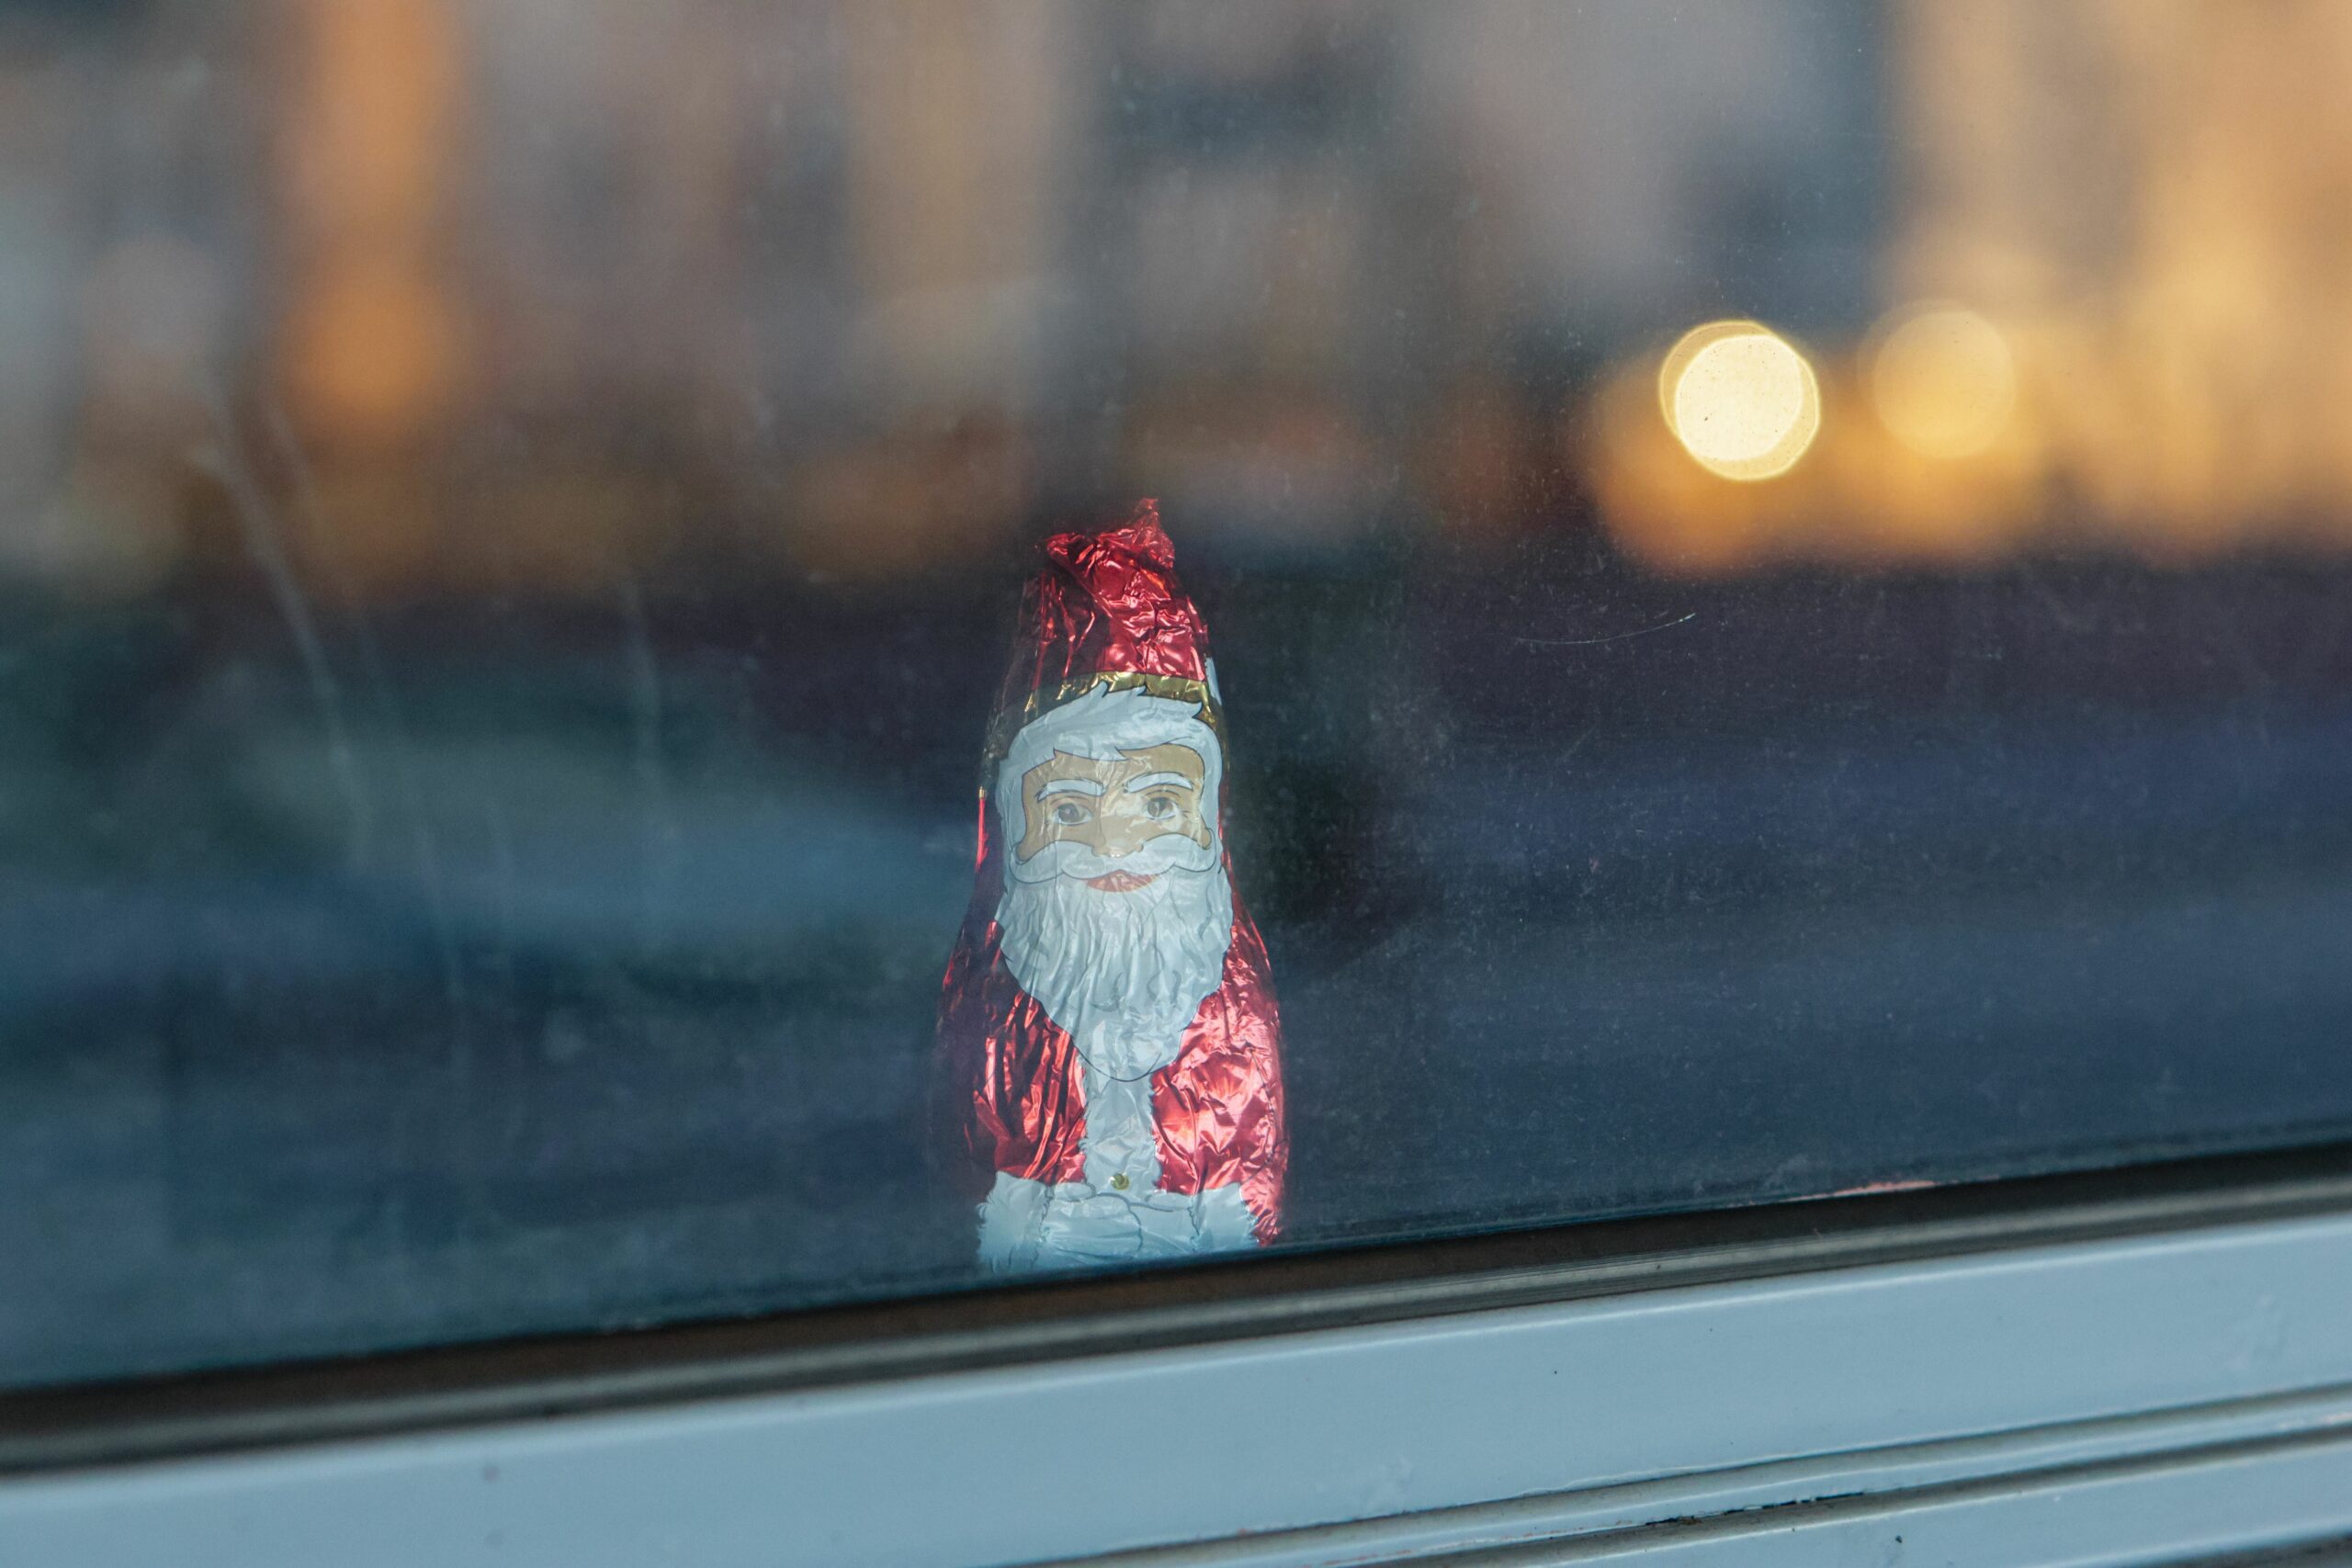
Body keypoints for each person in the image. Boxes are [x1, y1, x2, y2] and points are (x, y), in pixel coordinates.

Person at [934, 502, 1287, 1272]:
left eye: (1159, 802)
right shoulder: (1003, 997)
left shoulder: (1225, 997)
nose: (1113, 847)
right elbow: (970, 1160)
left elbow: (1248, 1167)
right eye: (1068, 808)